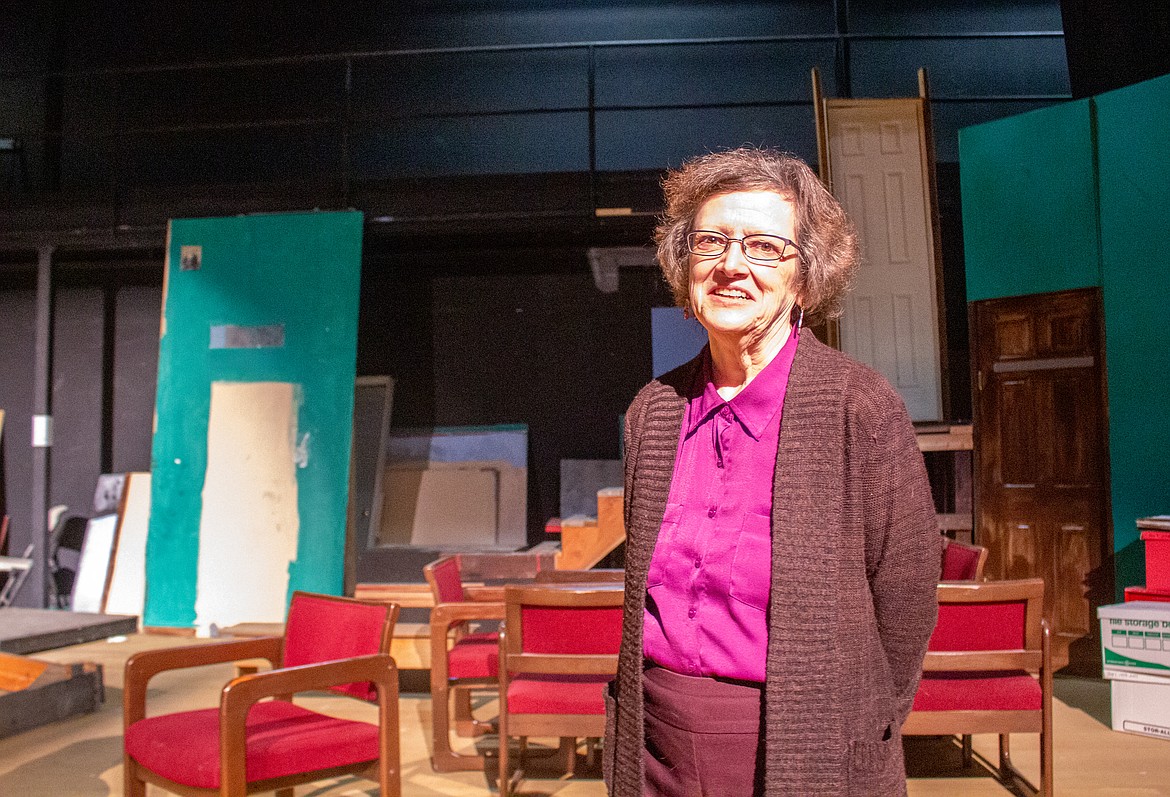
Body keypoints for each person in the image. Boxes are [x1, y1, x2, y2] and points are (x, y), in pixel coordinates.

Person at [603, 147, 940, 796]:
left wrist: (855, 722)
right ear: (685, 266)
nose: (732, 264)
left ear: (805, 282)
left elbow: (906, 597)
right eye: (712, 242)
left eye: (763, 247)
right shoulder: (654, 409)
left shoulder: (858, 406)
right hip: (654, 746)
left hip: (802, 746)